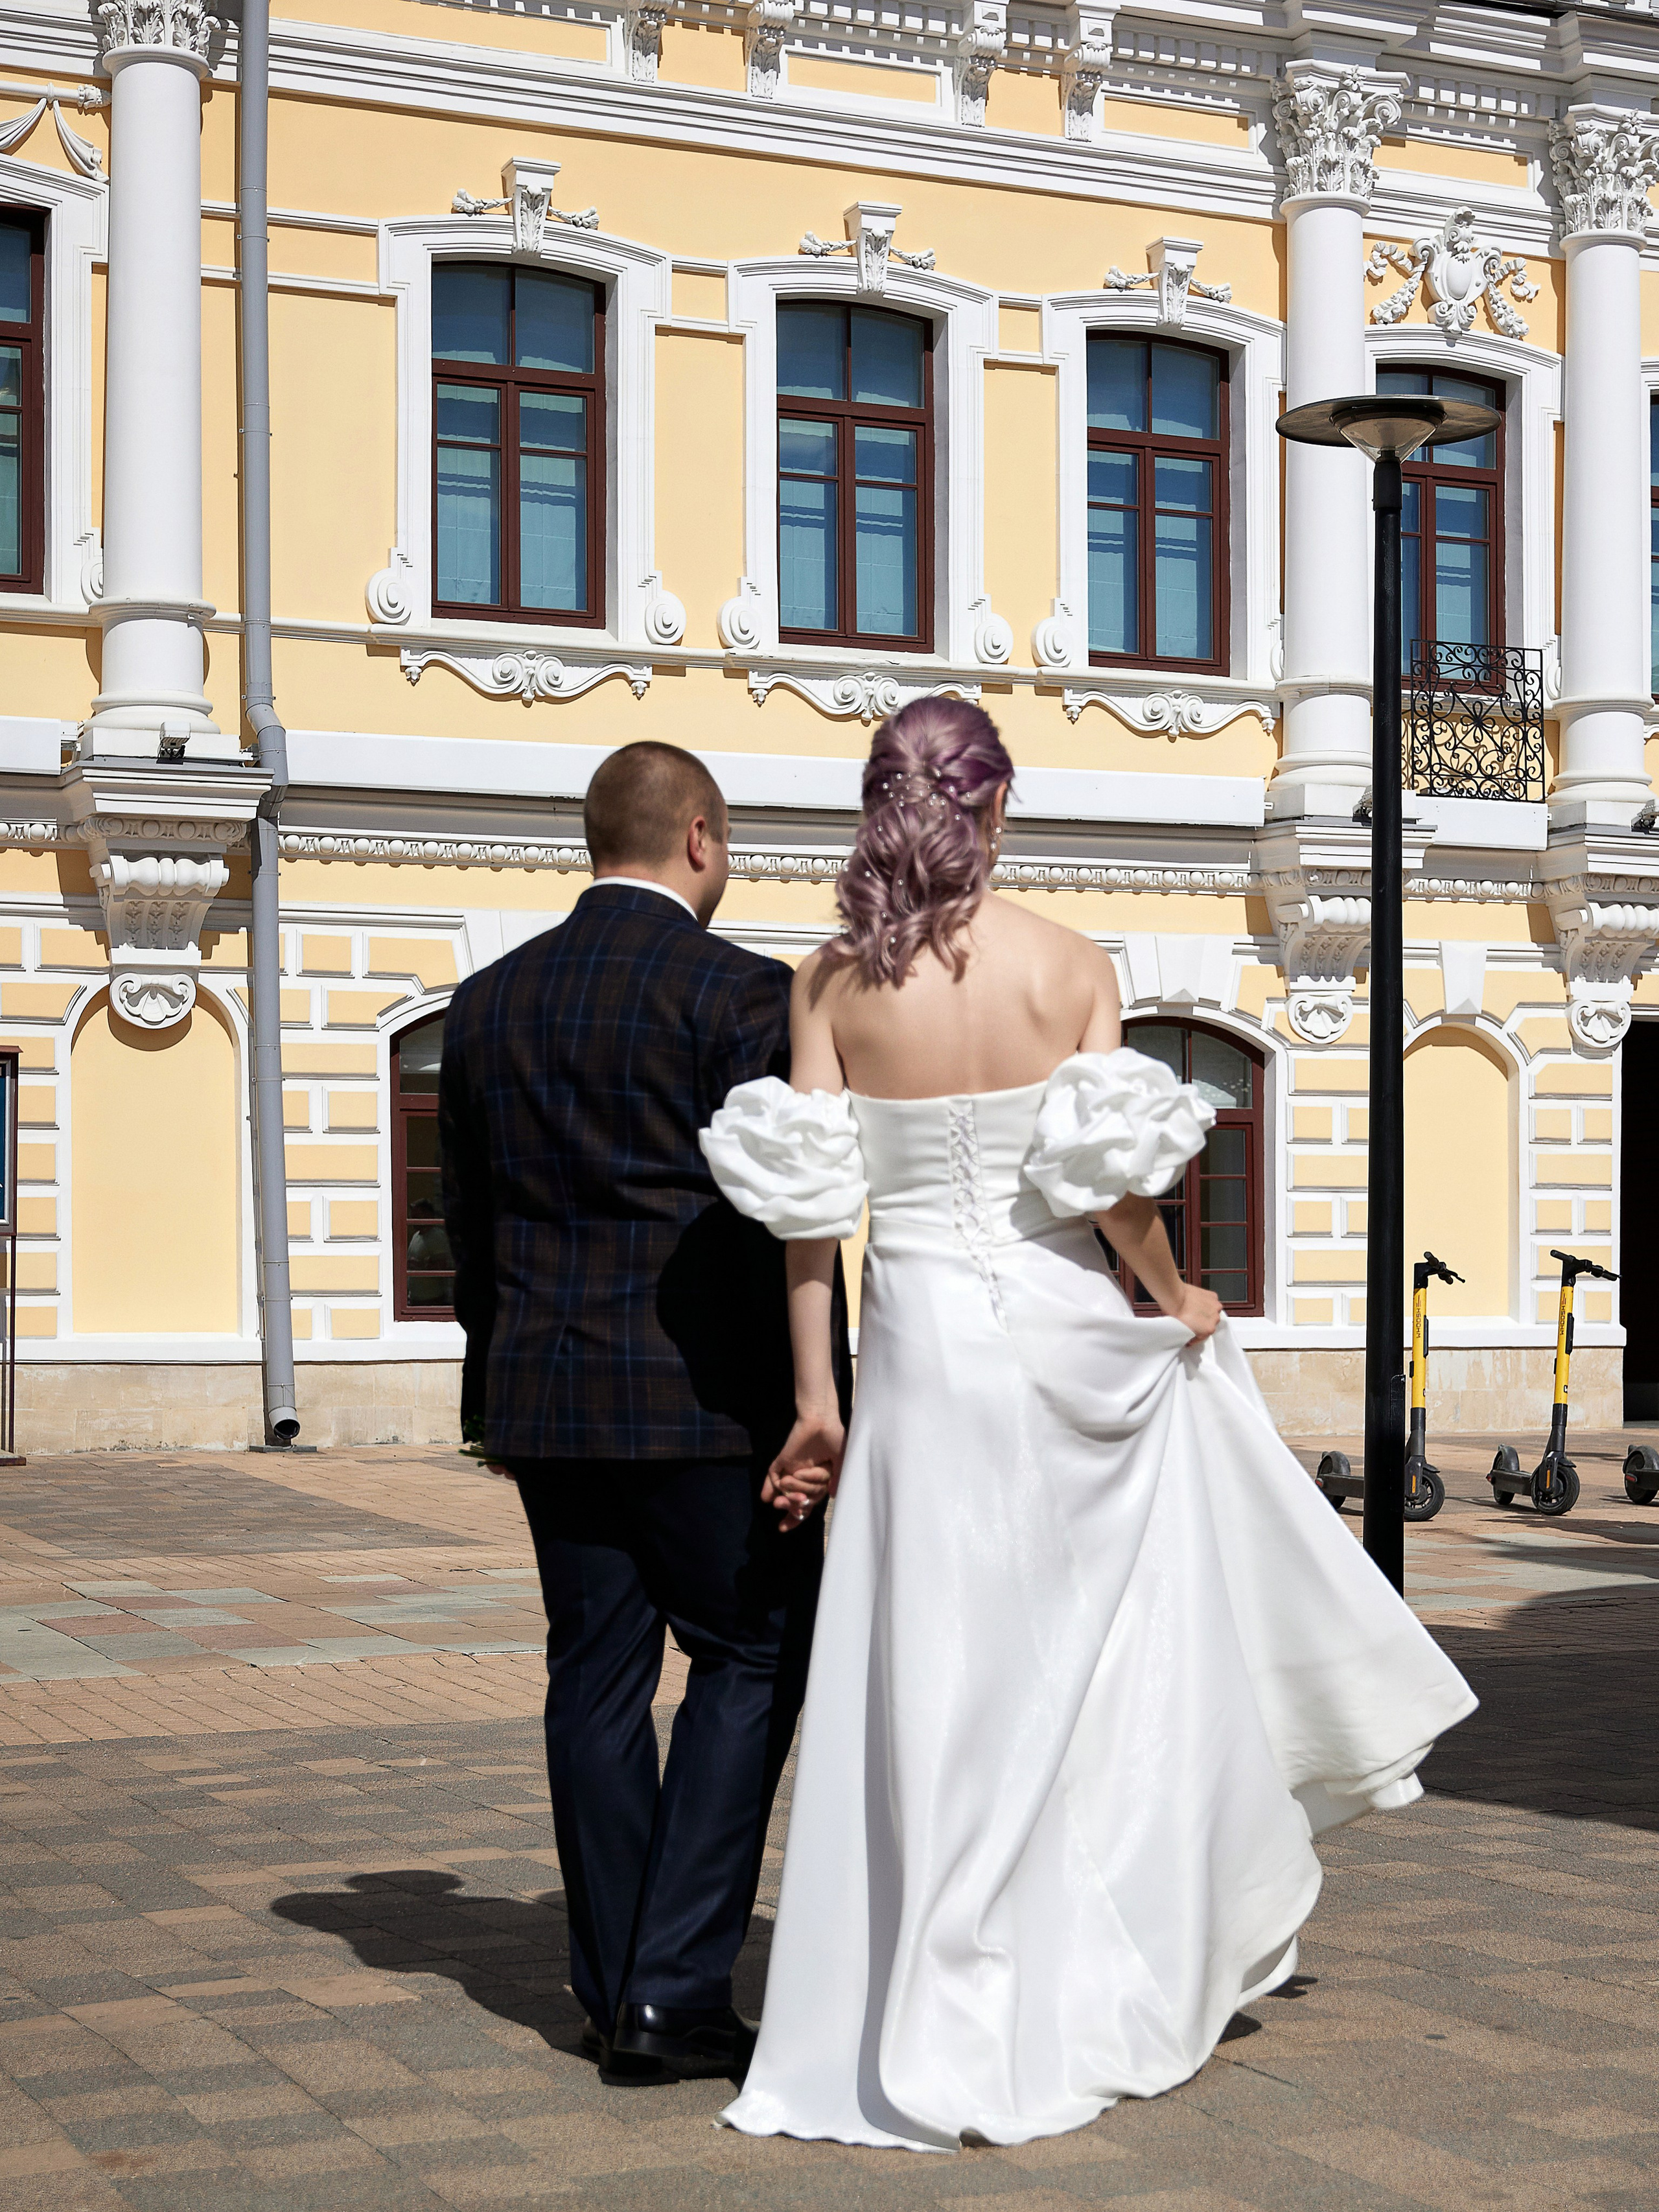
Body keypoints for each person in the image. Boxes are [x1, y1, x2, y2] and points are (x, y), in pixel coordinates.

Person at [700, 697, 1476, 2151]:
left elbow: (807, 1222)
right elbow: (1109, 1195)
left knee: (932, 1671)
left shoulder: (824, 986)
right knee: (1091, 1664)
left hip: (918, 1353)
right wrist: (1176, 1294)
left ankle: (913, 1997)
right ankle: (1079, 1961)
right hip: (1060, 1352)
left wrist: (818, 1403)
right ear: (991, 804)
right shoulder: (1069, 966)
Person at [439, 739, 848, 2086]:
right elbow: (790, 1216)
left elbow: (469, 1222)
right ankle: (672, 1990)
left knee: (594, 1676)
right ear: (702, 838)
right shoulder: (741, 996)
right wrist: (816, 1399)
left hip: (546, 1402)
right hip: (706, 1410)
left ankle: (614, 1988)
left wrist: (502, 1383)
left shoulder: (488, 1002)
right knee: (748, 1657)